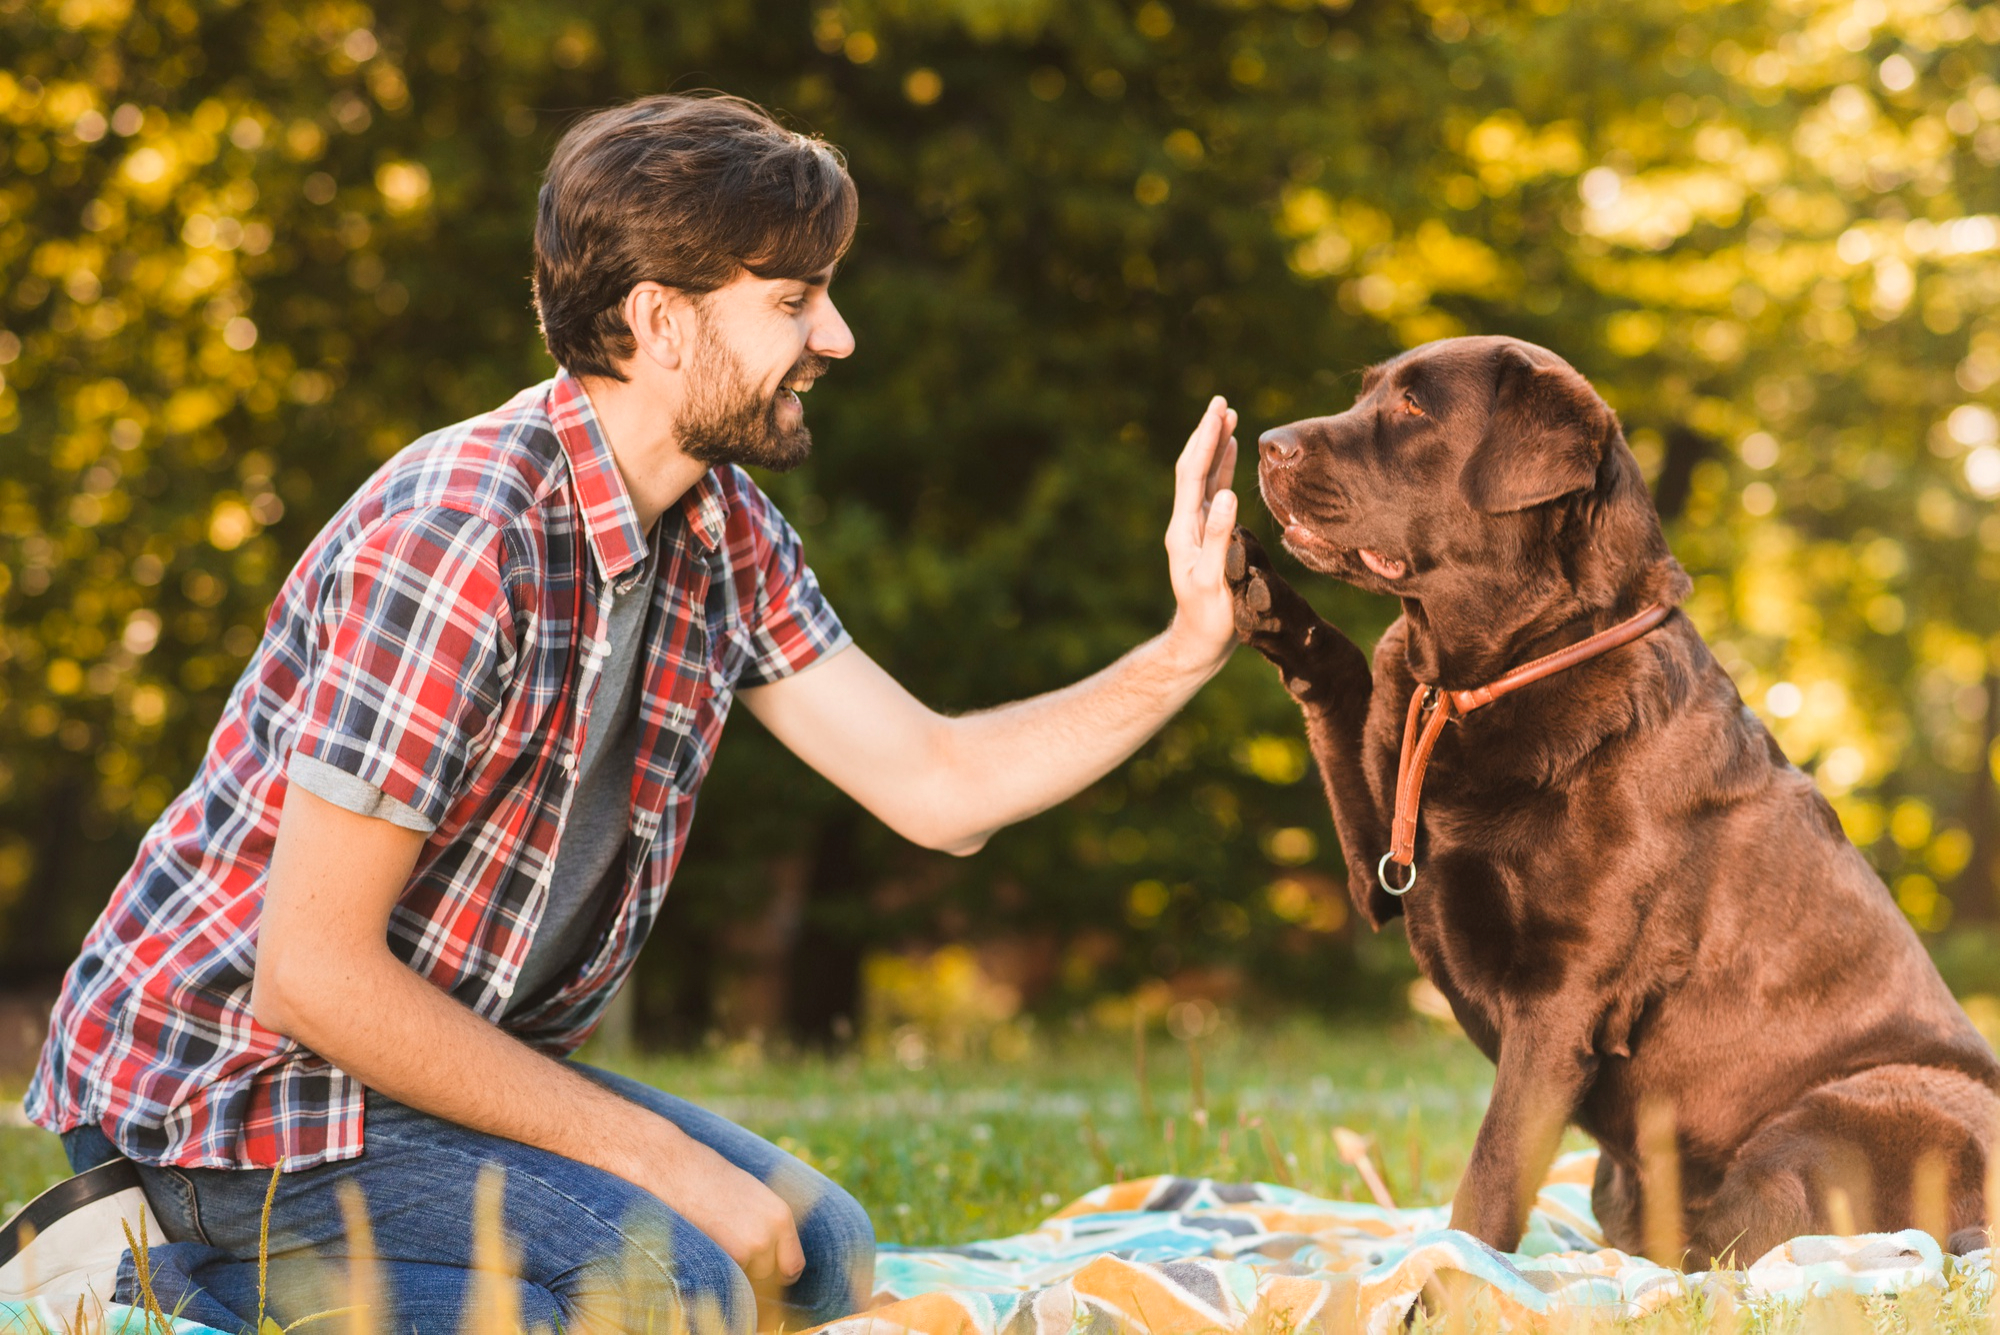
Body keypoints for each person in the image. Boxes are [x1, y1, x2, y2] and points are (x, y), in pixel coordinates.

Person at [21, 93, 1243, 1335]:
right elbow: (313, 977)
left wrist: (1184, 648)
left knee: (819, 1256)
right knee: (669, 1285)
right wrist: (659, 1164)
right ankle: (133, 1274)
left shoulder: (722, 532)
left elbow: (937, 786)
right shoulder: (461, 538)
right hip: (234, 1095)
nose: (838, 335)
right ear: (660, 321)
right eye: (792, 300)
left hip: (408, 1079)